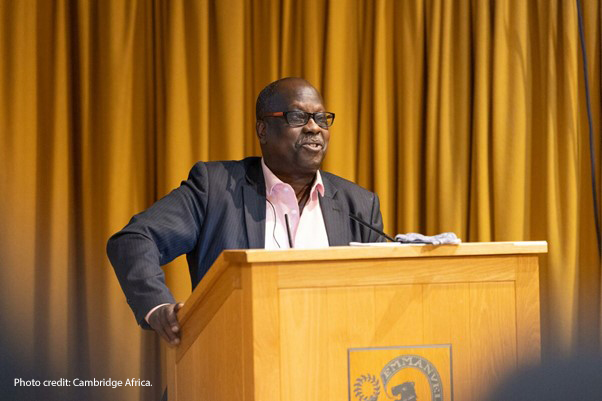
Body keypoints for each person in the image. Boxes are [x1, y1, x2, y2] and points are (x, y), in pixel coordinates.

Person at [107, 77, 385, 346]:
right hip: (233, 367)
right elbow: (134, 239)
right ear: (263, 130)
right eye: (298, 117)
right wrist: (157, 307)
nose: (314, 128)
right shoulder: (216, 189)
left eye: (321, 119)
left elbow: (382, 293)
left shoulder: (358, 205)